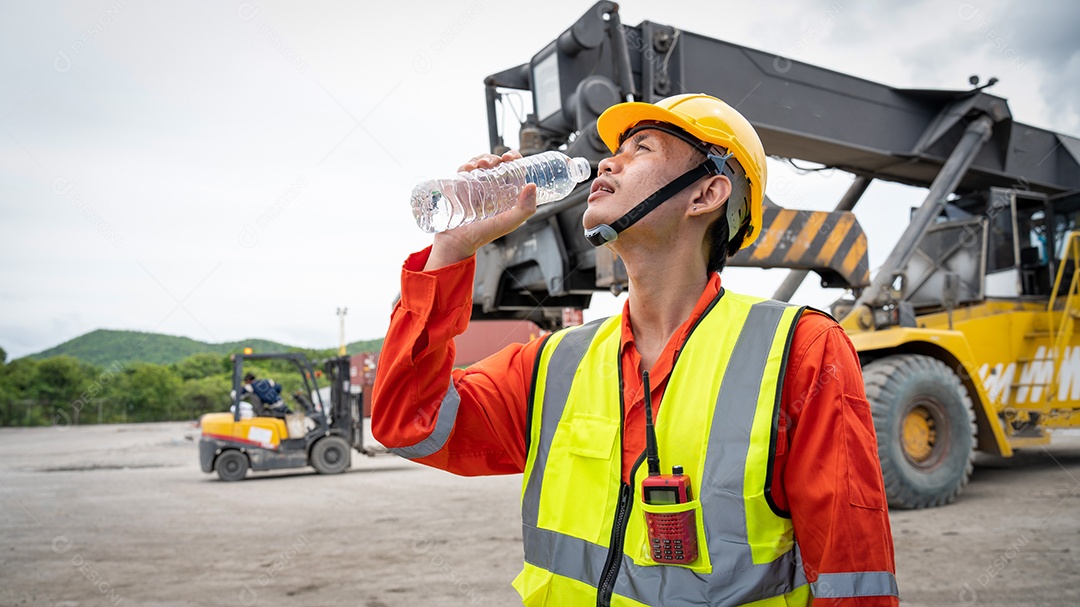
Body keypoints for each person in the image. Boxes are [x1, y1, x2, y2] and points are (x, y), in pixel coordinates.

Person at [372, 94, 898, 606]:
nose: (609, 160)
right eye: (616, 149)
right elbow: (410, 421)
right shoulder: (553, 363)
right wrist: (450, 250)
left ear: (706, 194)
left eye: (641, 148)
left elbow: (852, 579)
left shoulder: (801, 352)